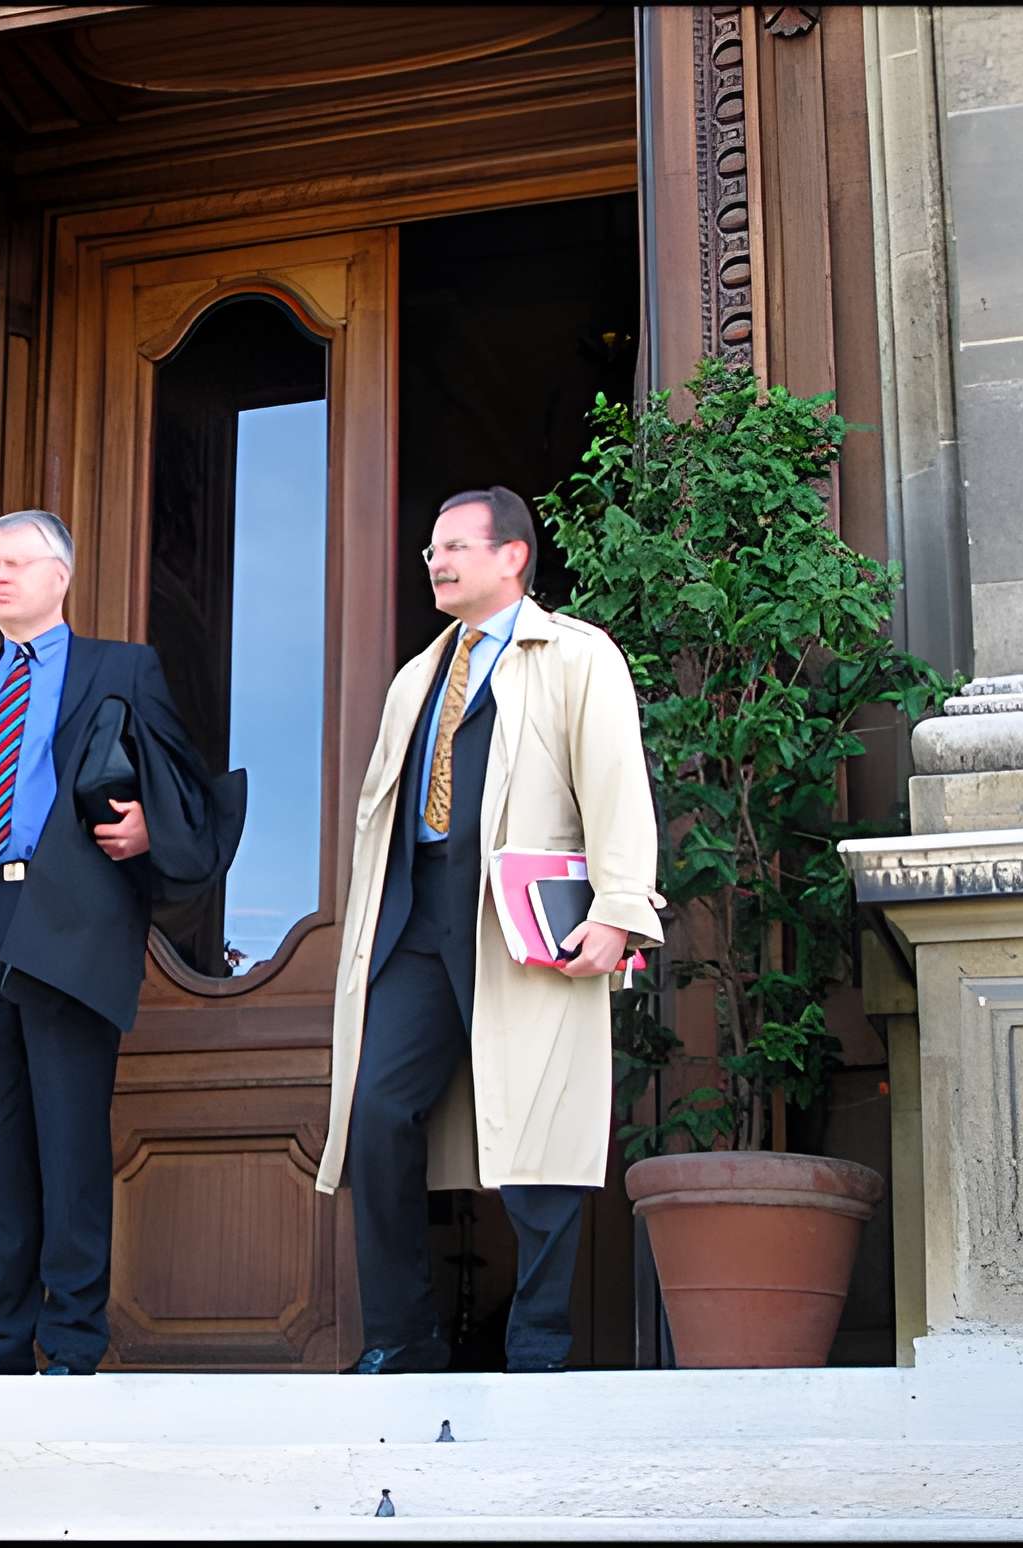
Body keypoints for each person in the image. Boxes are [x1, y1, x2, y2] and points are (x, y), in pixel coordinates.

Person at [316, 486, 664, 1374]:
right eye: (432, 549)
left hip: (519, 919)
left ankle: (540, 1346)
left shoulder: (576, 655)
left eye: (453, 547)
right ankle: (402, 1337)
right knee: (381, 1113)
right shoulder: (417, 677)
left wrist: (622, 909)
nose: (434, 562)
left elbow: (616, 784)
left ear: (512, 556)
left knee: (540, 1123)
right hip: (418, 917)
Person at [0, 508, 232, 1377]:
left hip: (72, 920)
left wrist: (152, 828)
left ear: (60, 577)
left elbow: (183, 779)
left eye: (16, 564)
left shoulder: (123, 667)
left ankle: (72, 1342)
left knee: (69, 1140)